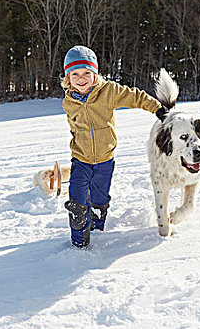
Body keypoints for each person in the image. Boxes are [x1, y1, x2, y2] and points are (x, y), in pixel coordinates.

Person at [61, 45, 168, 248]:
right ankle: (78, 245)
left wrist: (157, 109)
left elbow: (136, 96)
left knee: (99, 200)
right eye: (75, 73)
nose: (81, 78)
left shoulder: (109, 91)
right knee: (77, 203)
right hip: (80, 161)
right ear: (68, 77)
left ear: (95, 73)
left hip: (104, 161)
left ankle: (97, 229)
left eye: (86, 72)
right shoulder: (69, 102)